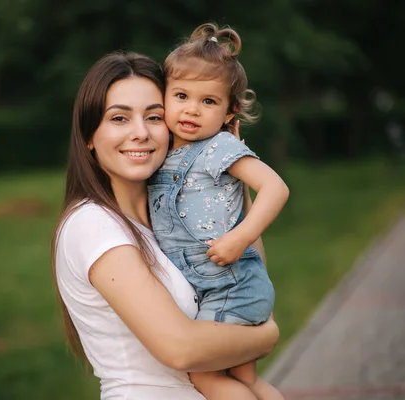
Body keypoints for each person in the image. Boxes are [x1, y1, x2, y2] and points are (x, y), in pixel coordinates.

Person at [51, 51, 279, 399]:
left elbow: (247, 272)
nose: (140, 133)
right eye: (119, 118)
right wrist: (267, 337)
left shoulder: (167, 219)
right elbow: (180, 350)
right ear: (88, 136)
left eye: (153, 117)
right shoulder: (93, 225)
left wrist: (231, 185)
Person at [148, 23, 289, 399]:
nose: (192, 109)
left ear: (230, 112)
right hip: (211, 287)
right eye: (181, 95)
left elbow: (276, 187)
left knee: (206, 378)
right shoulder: (160, 156)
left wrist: (240, 238)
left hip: (231, 284)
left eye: (208, 101)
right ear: (163, 97)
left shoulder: (219, 147)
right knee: (245, 381)